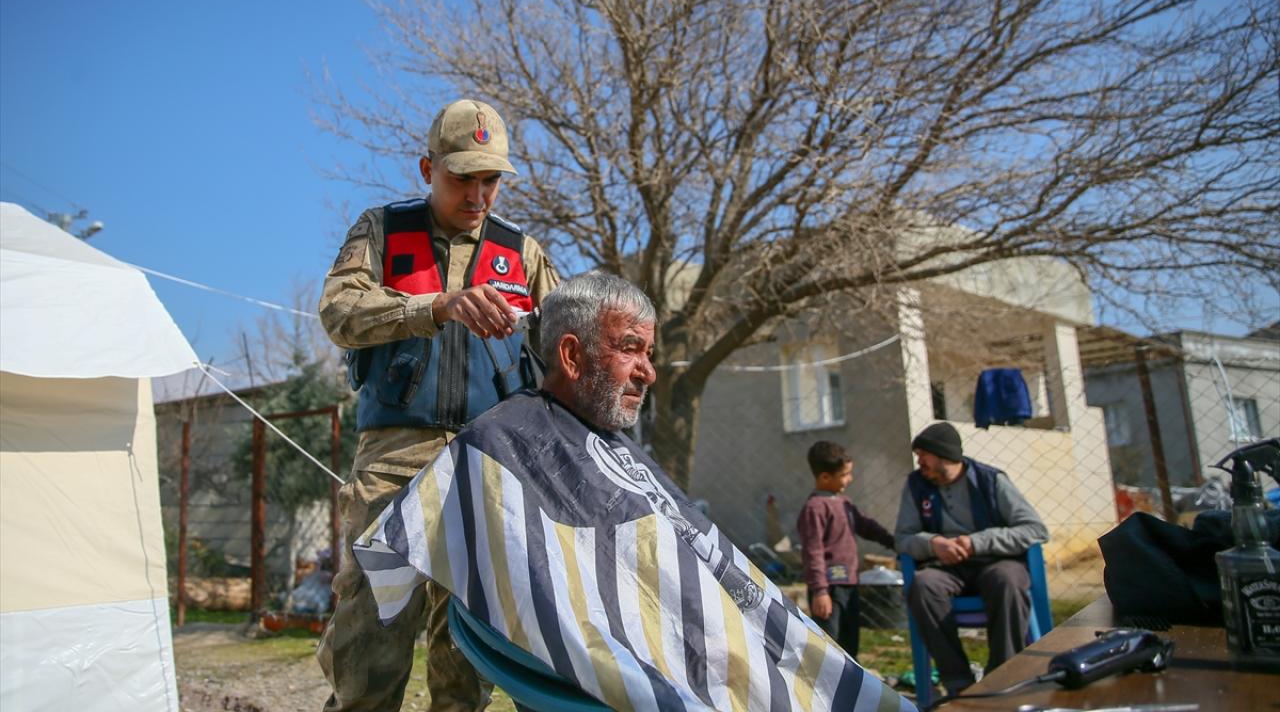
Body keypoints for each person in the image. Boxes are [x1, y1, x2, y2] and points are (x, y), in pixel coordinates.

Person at [349, 272, 911, 712]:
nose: (649, 372)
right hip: (649, 665)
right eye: (631, 348)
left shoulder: (615, 449)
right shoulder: (499, 440)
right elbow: (419, 553)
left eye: (650, 354)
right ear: (570, 355)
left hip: (712, 641)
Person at [317, 98, 559, 712]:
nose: (478, 195)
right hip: (395, 458)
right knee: (372, 631)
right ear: (428, 170)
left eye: (491, 180)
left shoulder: (523, 254)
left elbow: (564, 349)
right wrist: (435, 307)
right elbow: (338, 313)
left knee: (469, 647)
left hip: (489, 462)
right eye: (462, 179)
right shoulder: (380, 230)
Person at [894, 421, 1049, 697]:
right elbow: (903, 537)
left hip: (995, 562)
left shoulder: (991, 480)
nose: (919, 462)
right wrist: (932, 544)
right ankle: (959, 684)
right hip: (946, 568)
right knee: (924, 585)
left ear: (943, 455)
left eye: (923, 455)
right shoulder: (916, 485)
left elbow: (1035, 529)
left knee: (1007, 580)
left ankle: (1002, 677)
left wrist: (978, 542)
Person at [795, 440, 895, 658]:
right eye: (844, 474)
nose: (849, 479)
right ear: (824, 477)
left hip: (849, 584)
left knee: (850, 643)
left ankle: (851, 687)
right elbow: (813, 552)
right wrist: (820, 591)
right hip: (829, 588)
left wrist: (893, 542)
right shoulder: (815, 509)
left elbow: (865, 526)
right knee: (831, 644)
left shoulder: (844, 503)